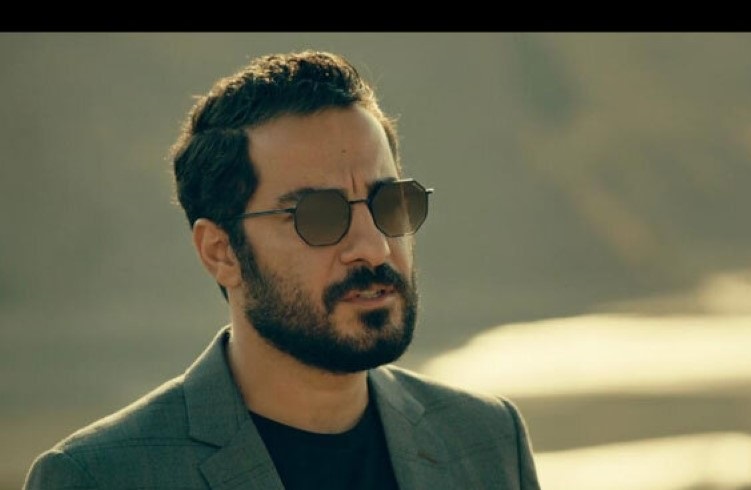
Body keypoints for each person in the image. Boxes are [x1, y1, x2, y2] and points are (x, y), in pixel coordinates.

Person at [24, 50, 541, 489]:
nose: (375, 247)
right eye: (319, 215)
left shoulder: (488, 439)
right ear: (221, 252)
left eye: (389, 202)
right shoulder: (98, 477)